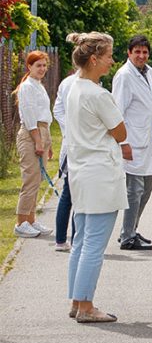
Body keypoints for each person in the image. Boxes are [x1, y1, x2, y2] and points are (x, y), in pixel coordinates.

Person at [64, 32, 131, 323]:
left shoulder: (73, 87)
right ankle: (86, 306)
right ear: (94, 59)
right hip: (100, 174)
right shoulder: (98, 94)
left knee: (81, 241)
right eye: (108, 57)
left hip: (81, 172)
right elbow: (120, 131)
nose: (111, 62)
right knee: (94, 244)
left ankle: (77, 300)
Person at [112, 35, 152, 250]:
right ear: (129, 53)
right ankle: (127, 237)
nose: (141, 56)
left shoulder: (148, 71)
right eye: (137, 52)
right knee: (134, 191)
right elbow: (117, 112)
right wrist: (122, 142)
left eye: (145, 52)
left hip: (147, 139)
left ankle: (130, 230)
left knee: (147, 188)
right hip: (132, 141)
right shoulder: (124, 76)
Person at [13, 51, 54, 238]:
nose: (42, 69)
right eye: (38, 65)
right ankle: (21, 223)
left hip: (42, 132)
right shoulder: (27, 87)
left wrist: (48, 143)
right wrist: (38, 141)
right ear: (29, 67)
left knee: (38, 179)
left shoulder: (39, 86)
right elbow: (30, 116)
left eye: (44, 65)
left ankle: (31, 219)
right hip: (31, 134)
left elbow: (45, 115)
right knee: (30, 179)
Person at [52, 66, 80, 251]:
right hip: (75, 146)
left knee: (69, 194)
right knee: (75, 196)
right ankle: (72, 240)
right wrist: (70, 129)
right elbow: (58, 110)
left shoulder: (67, 82)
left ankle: (62, 240)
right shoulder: (76, 83)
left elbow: (57, 109)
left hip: (73, 143)